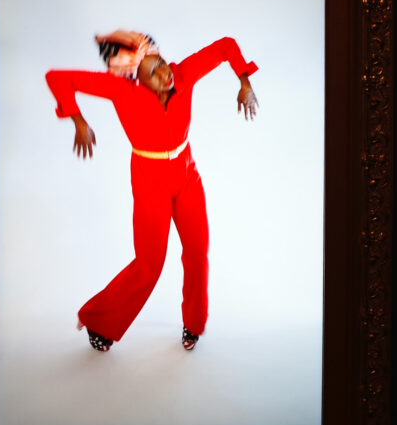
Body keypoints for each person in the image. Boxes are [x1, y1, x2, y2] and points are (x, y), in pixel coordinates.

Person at [45, 31, 259, 351]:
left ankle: (194, 324)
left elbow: (225, 46)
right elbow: (57, 78)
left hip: (187, 177)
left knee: (198, 252)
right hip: (150, 182)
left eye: (161, 63)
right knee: (149, 265)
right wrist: (77, 120)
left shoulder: (183, 73)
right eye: (153, 72)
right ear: (135, 78)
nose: (165, 74)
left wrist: (245, 82)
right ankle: (99, 322)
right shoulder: (120, 90)